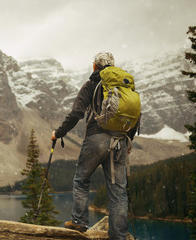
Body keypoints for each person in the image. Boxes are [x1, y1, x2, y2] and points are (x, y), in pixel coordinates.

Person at [51, 52, 139, 240]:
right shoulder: (125, 87)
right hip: (120, 142)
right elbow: (135, 116)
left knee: (81, 180)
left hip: (96, 139)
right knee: (118, 192)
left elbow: (76, 113)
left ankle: (79, 221)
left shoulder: (91, 84)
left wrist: (58, 133)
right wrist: (127, 138)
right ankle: (118, 236)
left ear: (94, 66)